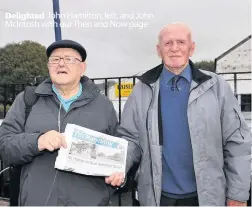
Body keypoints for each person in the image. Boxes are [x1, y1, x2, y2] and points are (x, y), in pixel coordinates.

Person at [106, 22, 251, 206]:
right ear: (159, 50)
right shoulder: (142, 90)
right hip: (157, 198)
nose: (174, 48)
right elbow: (130, 139)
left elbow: (237, 142)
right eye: (168, 43)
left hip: (207, 197)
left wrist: (237, 194)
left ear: (192, 48)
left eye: (181, 42)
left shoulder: (216, 86)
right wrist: (118, 165)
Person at [0, 40, 120, 206]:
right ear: (48, 66)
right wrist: (37, 141)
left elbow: (119, 153)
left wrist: (118, 175)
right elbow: (5, 147)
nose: (61, 63)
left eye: (69, 59)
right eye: (55, 59)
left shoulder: (103, 105)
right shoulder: (27, 100)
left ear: (82, 68)